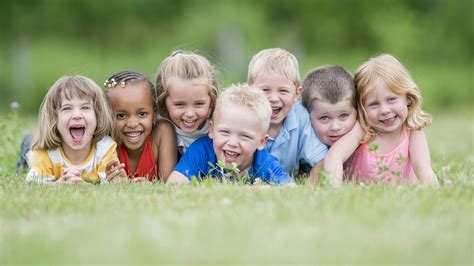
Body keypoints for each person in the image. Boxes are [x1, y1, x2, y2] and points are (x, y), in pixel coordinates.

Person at [326, 54, 439, 186]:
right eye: (373, 104)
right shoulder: (363, 129)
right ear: (361, 108)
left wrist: (433, 190)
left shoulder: (412, 130)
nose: (384, 110)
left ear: (407, 98)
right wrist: (334, 188)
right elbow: (335, 155)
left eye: (391, 99)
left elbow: (423, 168)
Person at [166, 83, 294, 186]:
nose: (232, 143)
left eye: (245, 136)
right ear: (211, 129)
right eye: (225, 132)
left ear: (261, 142)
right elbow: (174, 185)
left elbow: (290, 189)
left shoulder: (263, 162)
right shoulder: (201, 151)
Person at [247, 48, 327, 179]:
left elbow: (320, 160)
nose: (273, 98)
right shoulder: (242, 116)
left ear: (296, 94)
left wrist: (310, 189)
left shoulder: (300, 117)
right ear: (250, 90)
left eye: (283, 91)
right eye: (265, 90)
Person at [26, 75, 121, 184]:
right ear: (54, 118)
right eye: (67, 108)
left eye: (85, 107)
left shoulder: (105, 149)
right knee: (30, 153)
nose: (77, 115)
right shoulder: (46, 153)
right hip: (35, 150)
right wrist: (59, 184)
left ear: (98, 115)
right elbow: (33, 183)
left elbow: (108, 184)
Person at [104, 71, 177, 181]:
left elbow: (169, 183)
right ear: (107, 116)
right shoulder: (106, 143)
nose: (132, 124)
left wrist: (150, 186)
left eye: (142, 114)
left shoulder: (162, 133)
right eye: (121, 116)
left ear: (154, 114)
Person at [301, 65, 359, 183]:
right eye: (324, 118)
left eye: (343, 116)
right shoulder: (302, 143)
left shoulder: (363, 137)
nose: (335, 127)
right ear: (307, 116)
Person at [155, 50, 219, 156]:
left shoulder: (220, 126)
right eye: (179, 105)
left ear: (211, 100)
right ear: (164, 103)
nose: (190, 113)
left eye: (199, 104)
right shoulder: (159, 130)